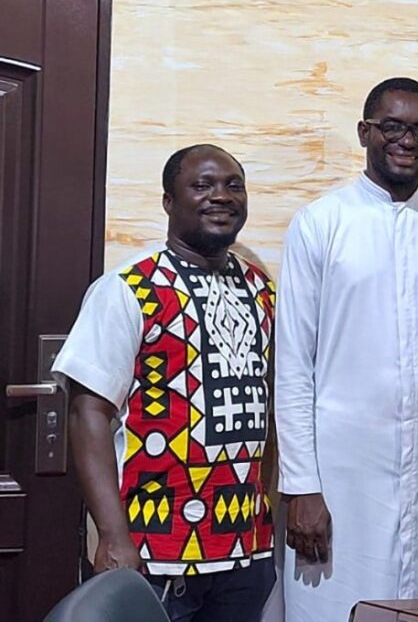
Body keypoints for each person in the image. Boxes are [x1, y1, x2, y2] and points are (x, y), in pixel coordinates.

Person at [276, 77, 418, 620]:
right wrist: (301, 484)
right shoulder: (320, 223)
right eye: (392, 127)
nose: (407, 141)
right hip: (339, 469)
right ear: (364, 132)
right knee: (333, 606)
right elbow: (293, 364)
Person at [53, 144, 276, 621]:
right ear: (168, 202)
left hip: (245, 546)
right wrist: (113, 535)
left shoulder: (262, 290)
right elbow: (88, 412)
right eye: (202, 185)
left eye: (234, 185)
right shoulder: (129, 288)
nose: (221, 196)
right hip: (153, 547)